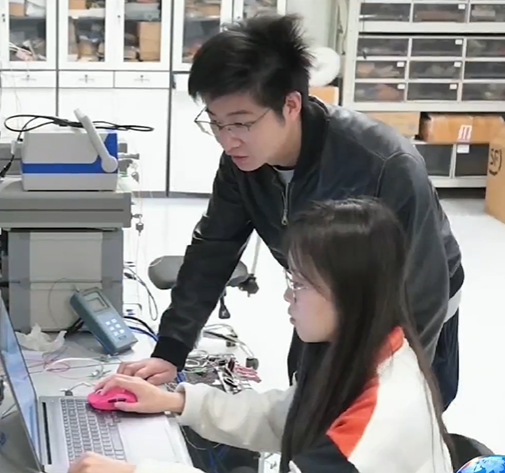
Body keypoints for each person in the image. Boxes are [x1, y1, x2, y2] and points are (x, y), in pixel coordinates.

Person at [118, 14, 464, 409]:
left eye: (241, 123)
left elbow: (422, 290)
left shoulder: (384, 164)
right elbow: (213, 249)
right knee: (306, 405)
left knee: (390, 420)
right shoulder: (242, 164)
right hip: (324, 297)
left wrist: (393, 393)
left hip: (405, 308)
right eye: (215, 123)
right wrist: (171, 350)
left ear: (291, 104)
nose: (227, 141)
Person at [70, 199, 454, 473]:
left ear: (351, 295)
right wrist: (175, 401)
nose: (288, 296)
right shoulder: (362, 349)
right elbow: (284, 417)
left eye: (300, 284)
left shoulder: (374, 427)